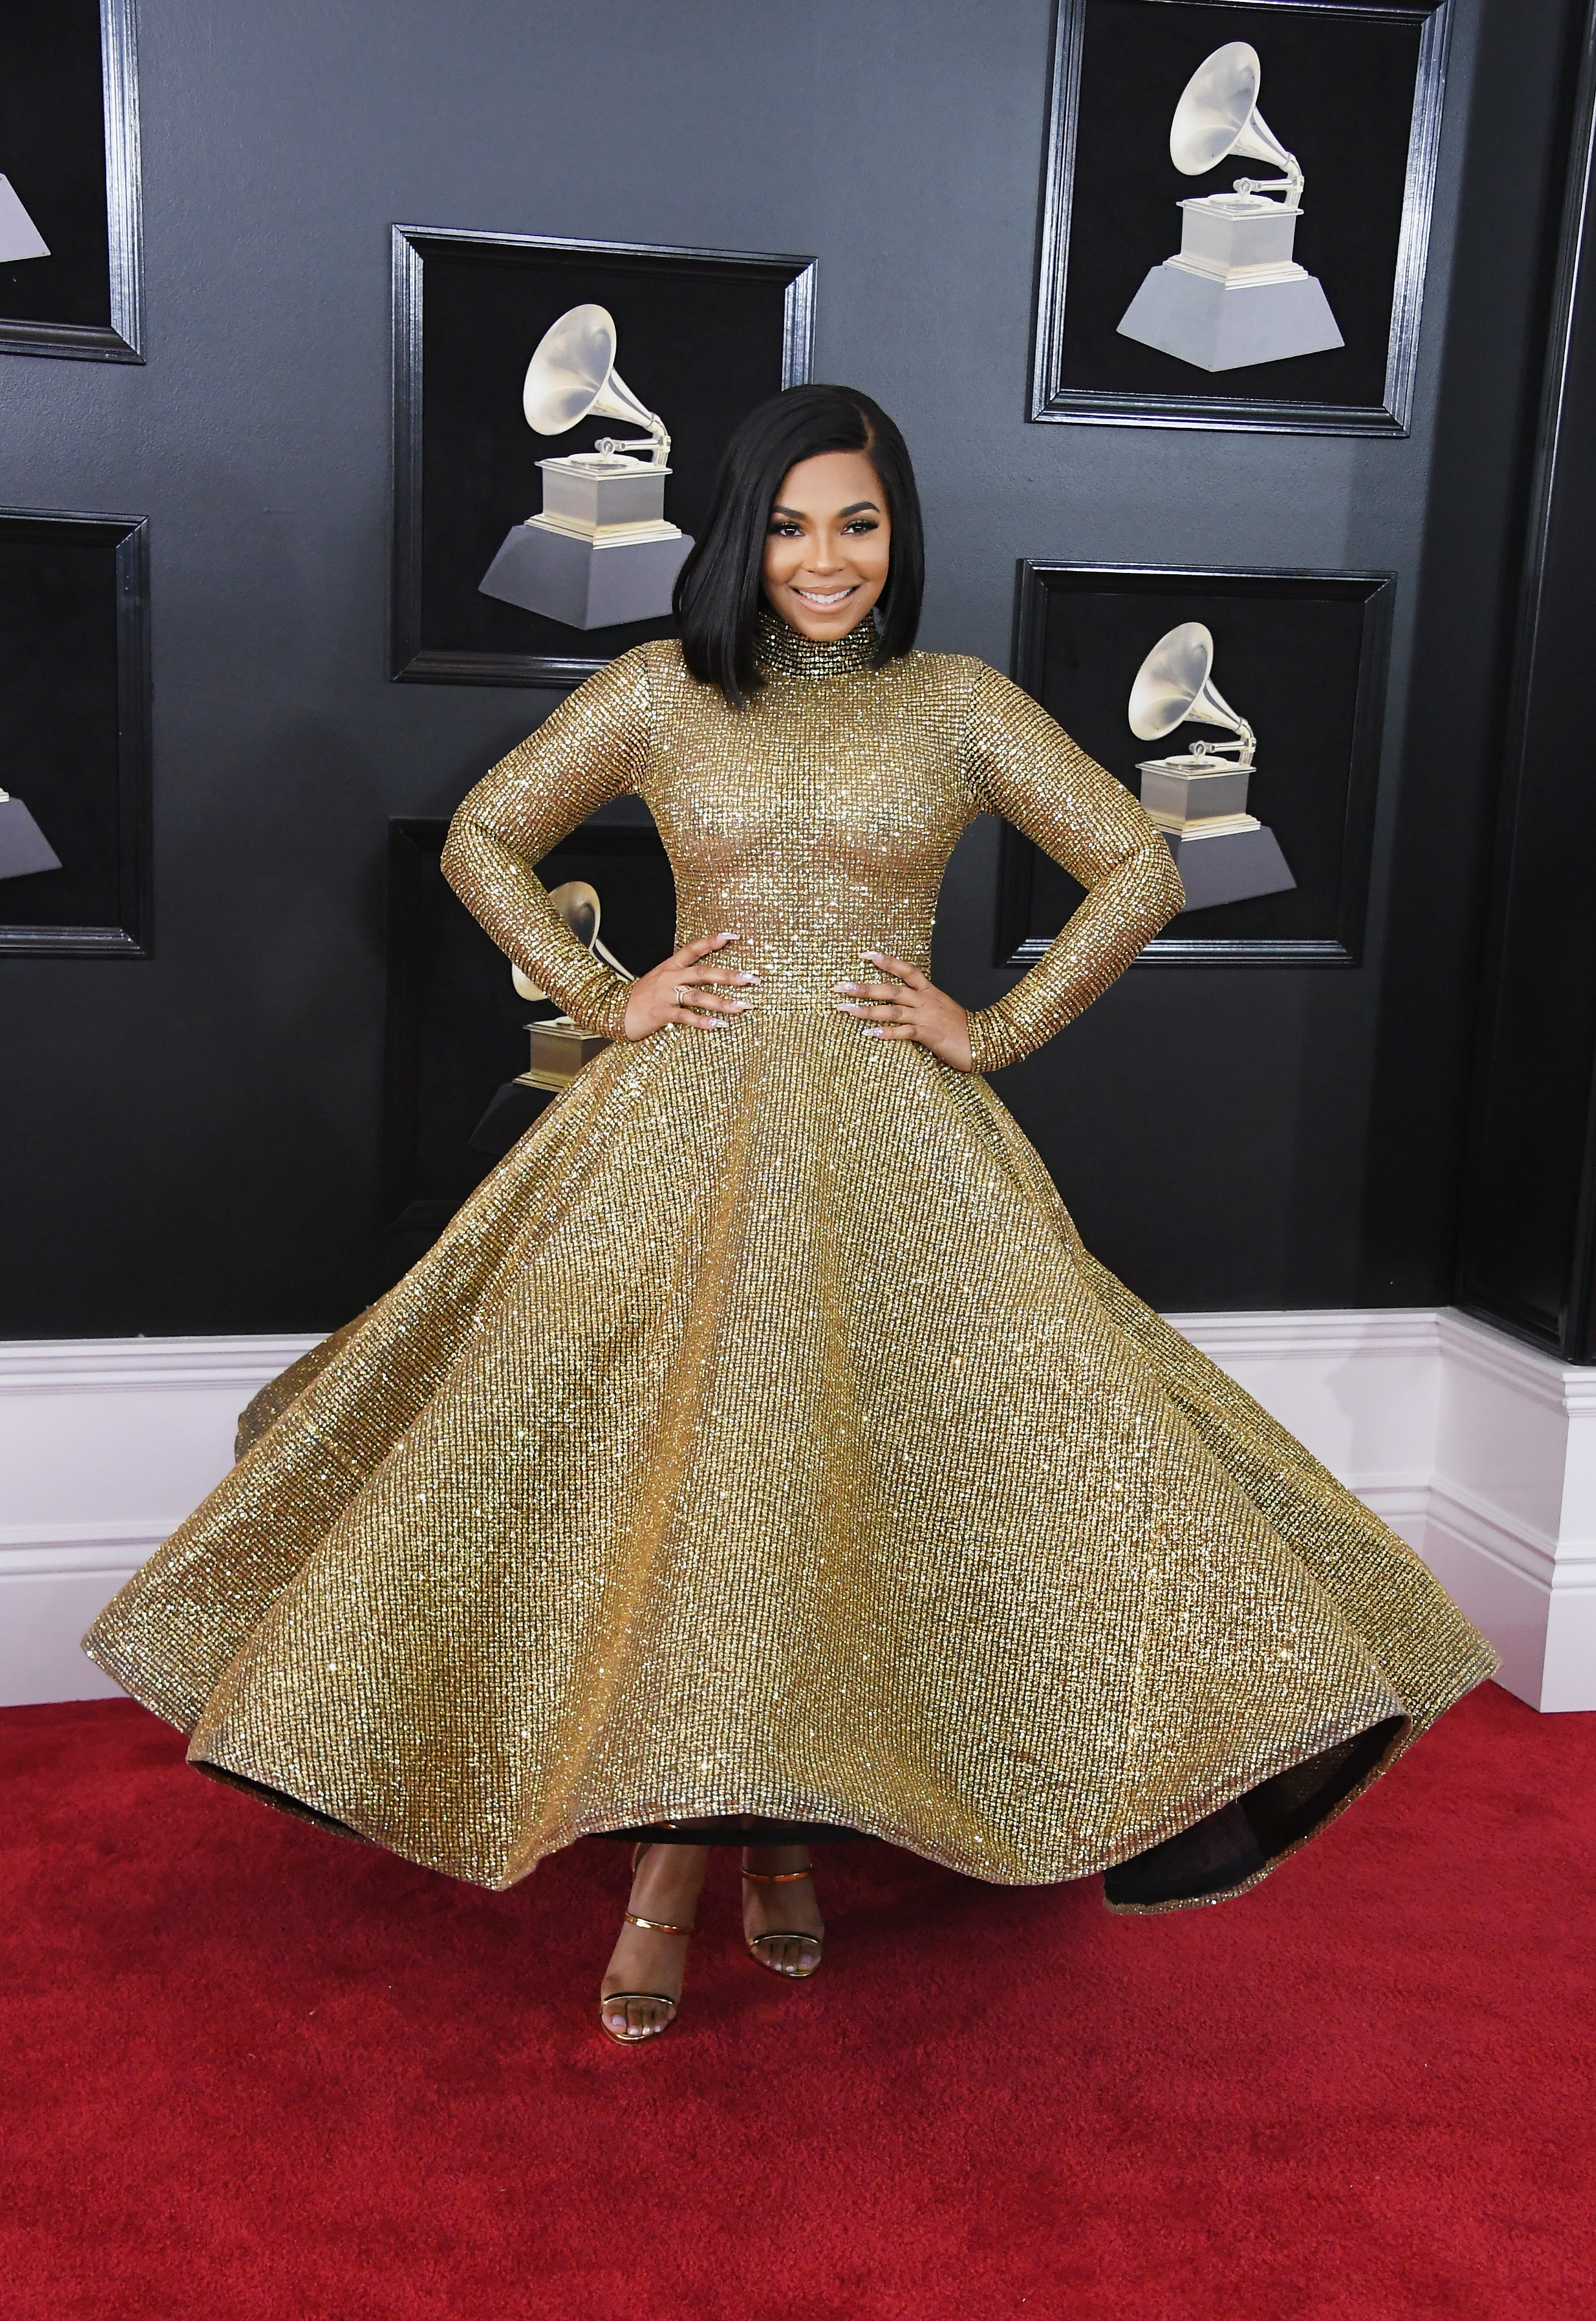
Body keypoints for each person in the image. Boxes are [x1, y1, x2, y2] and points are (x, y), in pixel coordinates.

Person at [85, 385, 1495, 2045]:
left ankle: (780, 1845)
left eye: (860, 523)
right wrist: (609, 993)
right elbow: (484, 840)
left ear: (898, 536)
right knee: (696, 1491)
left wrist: (1001, 1027)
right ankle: (670, 1871)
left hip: (901, 1145)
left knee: (845, 1490)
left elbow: (1141, 865)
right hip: (687, 1136)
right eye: (792, 525)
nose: (825, 559)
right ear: (743, 537)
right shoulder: (665, 693)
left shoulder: (958, 703)